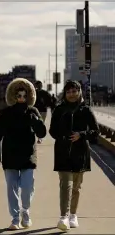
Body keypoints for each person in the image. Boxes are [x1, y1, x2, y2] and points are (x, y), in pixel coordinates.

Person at [0, 78, 46, 230]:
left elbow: (42, 133)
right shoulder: (7, 113)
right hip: (10, 155)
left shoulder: (33, 112)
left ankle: (25, 211)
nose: (21, 98)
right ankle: (15, 218)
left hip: (28, 155)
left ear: (28, 96)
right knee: (12, 188)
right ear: (14, 96)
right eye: (18, 95)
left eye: (24, 95)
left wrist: (34, 121)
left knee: (28, 187)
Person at [49, 80, 100, 231]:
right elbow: (52, 130)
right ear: (65, 94)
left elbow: (96, 132)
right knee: (66, 185)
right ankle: (63, 217)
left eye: (74, 91)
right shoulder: (59, 110)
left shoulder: (86, 110)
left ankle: (73, 215)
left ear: (79, 92)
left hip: (80, 153)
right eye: (68, 92)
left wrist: (81, 135)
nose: (71, 94)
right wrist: (63, 136)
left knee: (76, 188)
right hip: (63, 152)